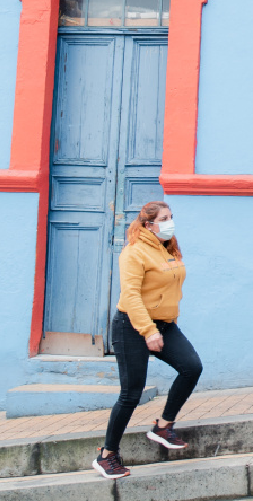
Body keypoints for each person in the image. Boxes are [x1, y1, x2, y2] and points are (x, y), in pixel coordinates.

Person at [93, 201, 202, 480]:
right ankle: (107, 456)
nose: (170, 222)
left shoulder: (168, 249)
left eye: (171, 217)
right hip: (132, 325)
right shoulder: (134, 252)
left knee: (192, 367)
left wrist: (167, 321)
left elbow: (170, 289)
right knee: (131, 393)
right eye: (165, 218)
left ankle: (163, 427)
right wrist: (148, 331)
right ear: (148, 225)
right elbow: (131, 296)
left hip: (164, 325)